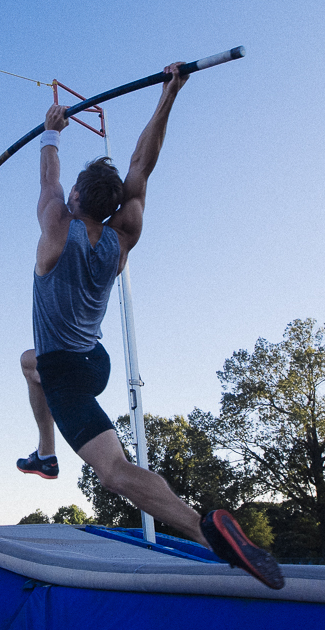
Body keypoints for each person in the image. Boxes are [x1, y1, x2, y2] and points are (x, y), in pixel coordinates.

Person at [16, 62, 283, 589]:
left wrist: (51, 129)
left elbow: (49, 178)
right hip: (95, 362)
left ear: (73, 202)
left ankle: (204, 529)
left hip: (70, 373)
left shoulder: (56, 229)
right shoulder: (124, 233)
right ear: (114, 205)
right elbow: (142, 163)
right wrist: (169, 95)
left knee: (113, 471)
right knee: (28, 364)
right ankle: (45, 455)